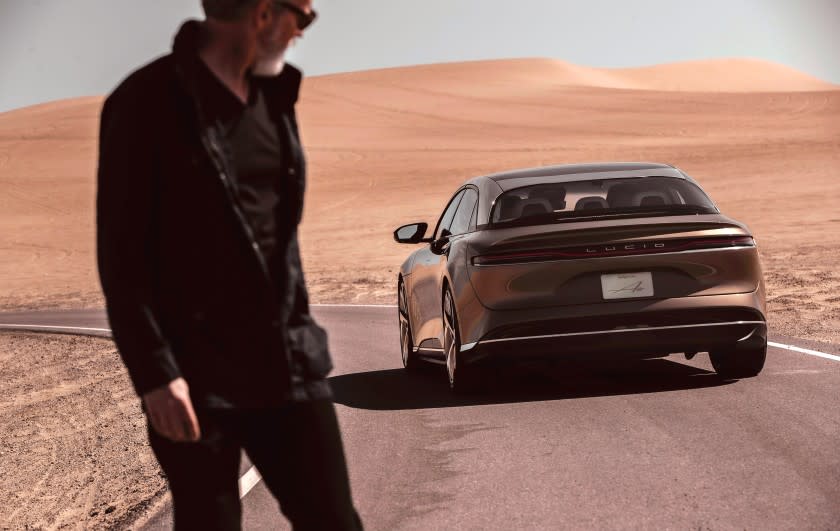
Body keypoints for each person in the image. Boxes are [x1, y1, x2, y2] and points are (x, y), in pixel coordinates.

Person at [96, 0, 362, 528]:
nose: (301, 33)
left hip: (286, 363)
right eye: (302, 17)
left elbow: (278, 237)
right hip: (197, 377)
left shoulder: (272, 97)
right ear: (263, 13)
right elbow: (120, 254)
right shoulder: (144, 102)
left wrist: (300, 333)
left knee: (334, 520)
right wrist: (154, 374)